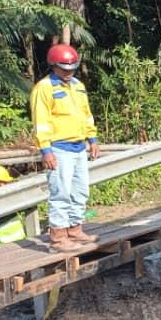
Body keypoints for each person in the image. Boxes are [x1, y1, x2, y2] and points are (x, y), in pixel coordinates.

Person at [30, 44, 101, 251]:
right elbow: (41, 121)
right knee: (60, 193)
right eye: (64, 69)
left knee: (80, 191)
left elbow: (86, 114)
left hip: (79, 147)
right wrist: (46, 150)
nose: (69, 73)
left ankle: (75, 230)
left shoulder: (77, 86)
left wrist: (92, 138)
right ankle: (58, 238)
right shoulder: (44, 88)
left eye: (72, 69)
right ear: (53, 66)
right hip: (58, 148)